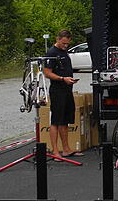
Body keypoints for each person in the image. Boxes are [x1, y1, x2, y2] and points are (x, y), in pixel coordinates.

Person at [42, 30, 82, 158]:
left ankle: (66, 149)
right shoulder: (51, 53)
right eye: (64, 43)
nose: (66, 46)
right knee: (56, 121)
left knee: (65, 121)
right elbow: (47, 73)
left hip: (67, 89)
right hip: (57, 90)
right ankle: (55, 151)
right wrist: (62, 78)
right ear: (58, 39)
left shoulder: (64, 51)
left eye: (68, 44)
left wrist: (69, 80)